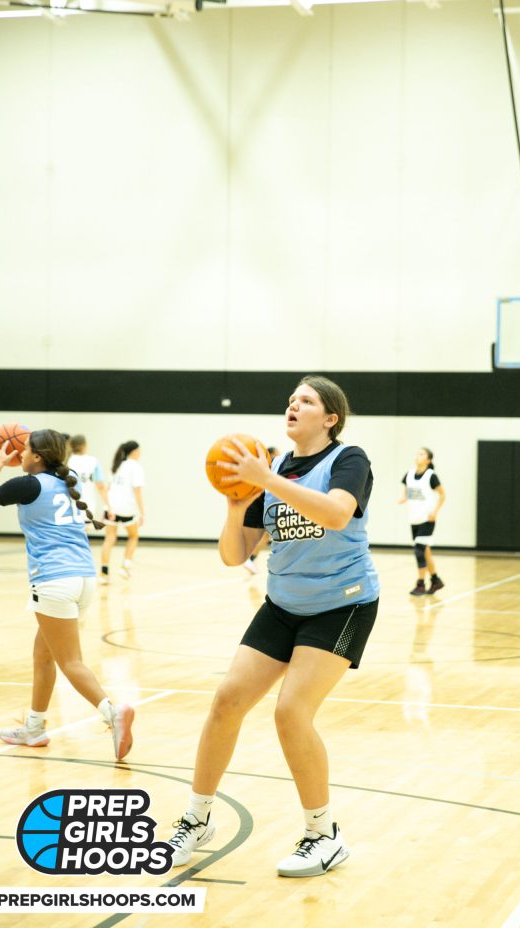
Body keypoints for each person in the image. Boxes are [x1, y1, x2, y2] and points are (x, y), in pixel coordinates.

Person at [167, 375, 380, 877]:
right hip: (283, 603)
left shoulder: (348, 459)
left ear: (330, 418)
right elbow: (234, 555)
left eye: (306, 401)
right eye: (290, 400)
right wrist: (236, 503)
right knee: (227, 700)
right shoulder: (275, 469)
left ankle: (324, 835)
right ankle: (197, 819)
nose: (293, 406)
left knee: (290, 713)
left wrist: (264, 481)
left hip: (341, 604)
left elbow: (335, 513)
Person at [0, 429, 134, 759]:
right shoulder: (69, 477)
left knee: (70, 661)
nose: (21, 454)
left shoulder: (28, 484)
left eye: (25, 450)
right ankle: (34, 727)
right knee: (43, 654)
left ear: (36, 456)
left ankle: (111, 712)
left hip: (54, 580)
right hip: (83, 579)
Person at [399, 447, 446, 596]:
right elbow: (406, 486)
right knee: (425, 552)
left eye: (421, 454)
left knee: (419, 550)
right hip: (414, 519)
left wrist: (435, 512)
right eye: (417, 453)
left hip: (427, 519)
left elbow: (443, 495)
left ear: (428, 460)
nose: (417, 456)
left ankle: (420, 584)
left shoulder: (431, 476)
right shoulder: (410, 474)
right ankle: (436, 580)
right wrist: (404, 497)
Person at [100, 440, 145, 584]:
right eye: (139, 450)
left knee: (110, 538)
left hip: (111, 507)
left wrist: (106, 508)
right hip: (126, 508)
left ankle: (104, 573)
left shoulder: (117, 465)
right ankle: (125, 566)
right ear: (134, 451)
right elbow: (137, 491)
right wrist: (142, 512)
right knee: (133, 536)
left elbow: (107, 488)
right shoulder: (136, 467)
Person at [243, 446, 280, 574]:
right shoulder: (272, 468)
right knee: (264, 536)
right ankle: (249, 558)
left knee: (265, 537)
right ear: (272, 455)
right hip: (265, 506)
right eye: (277, 453)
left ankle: (250, 558)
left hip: (265, 505)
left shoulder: (265, 471)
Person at [68, 434, 111, 522]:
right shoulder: (93, 461)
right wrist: (109, 506)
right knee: (83, 533)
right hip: (87, 505)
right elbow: (101, 487)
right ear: (84, 445)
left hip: (68, 506)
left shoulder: (67, 461)